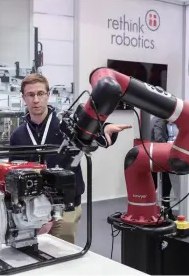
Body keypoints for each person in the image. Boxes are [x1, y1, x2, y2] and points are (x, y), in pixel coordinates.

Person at [9, 73, 131, 244]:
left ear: (48, 94)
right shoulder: (18, 135)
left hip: (65, 206)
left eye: (40, 94)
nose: (36, 100)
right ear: (23, 98)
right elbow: (13, 172)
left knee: (63, 257)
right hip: (31, 209)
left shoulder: (66, 125)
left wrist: (106, 128)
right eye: (30, 95)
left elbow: (90, 129)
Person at [151, 117, 178, 220]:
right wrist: (168, 146)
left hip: (155, 156)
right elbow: (158, 138)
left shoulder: (158, 119)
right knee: (166, 185)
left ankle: (162, 212)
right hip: (158, 157)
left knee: (158, 186)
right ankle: (166, 213)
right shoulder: (160, 120)